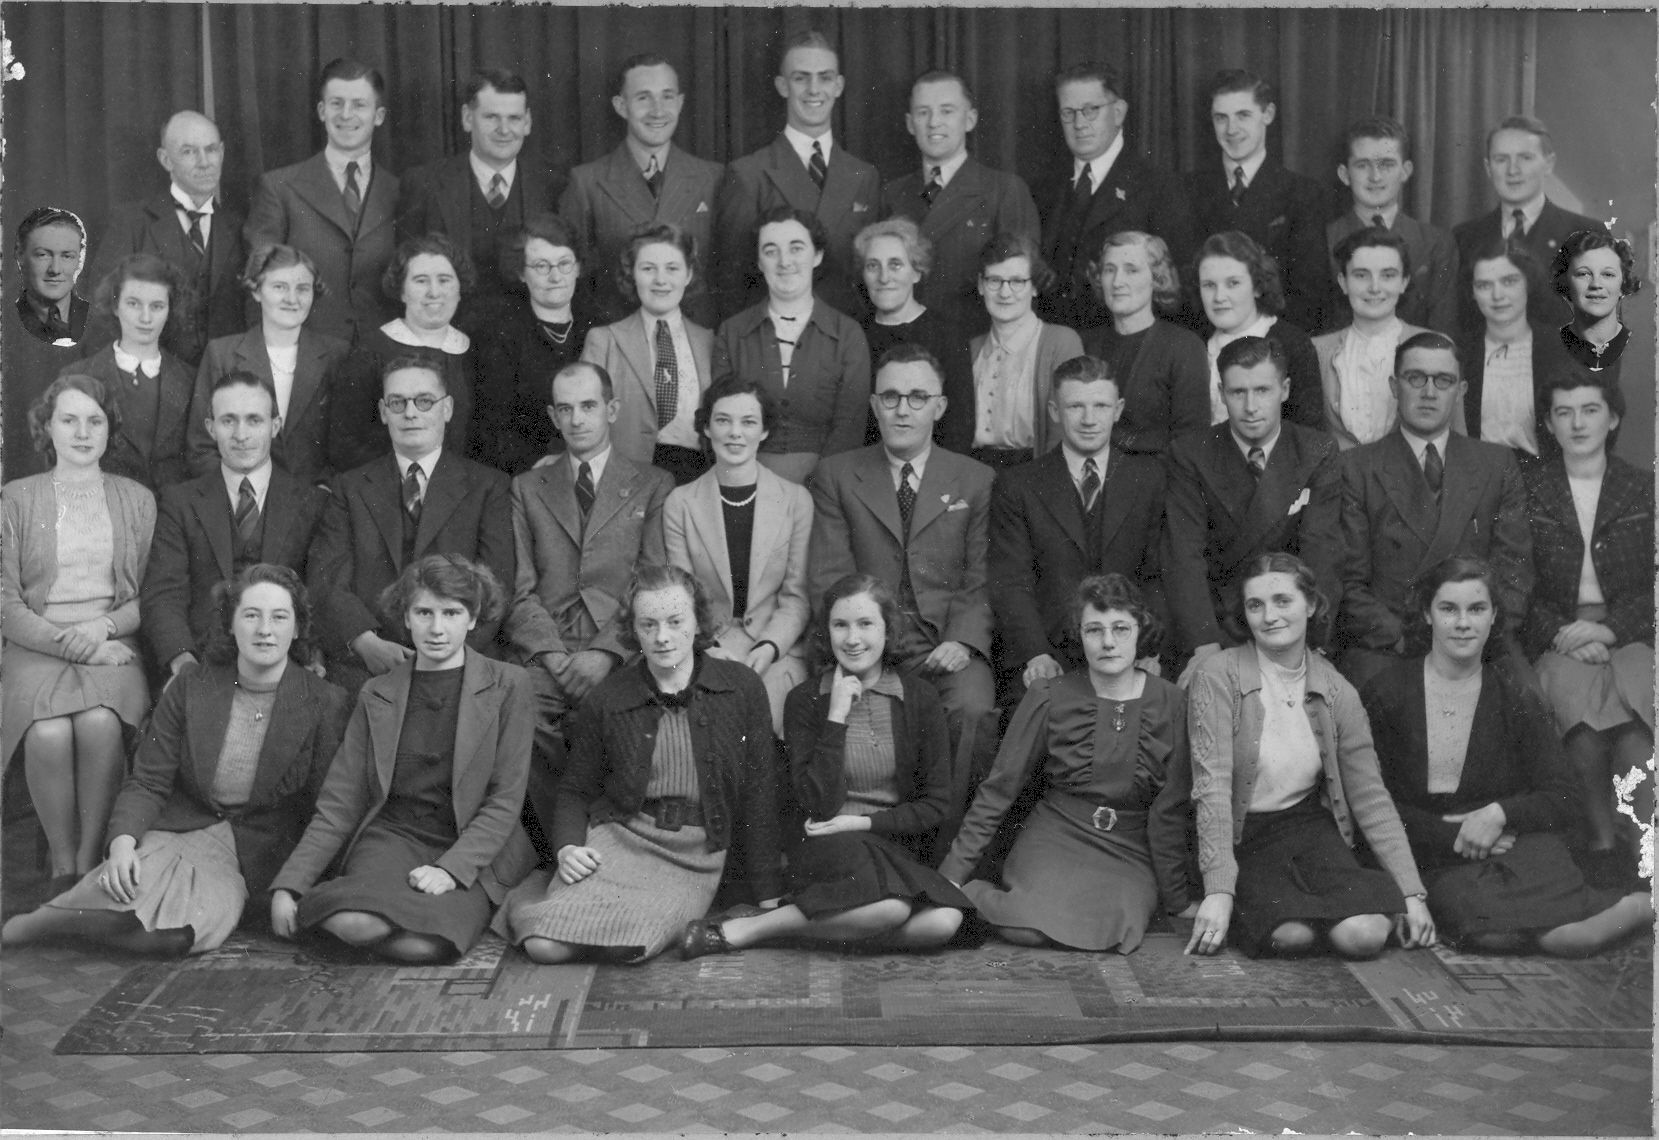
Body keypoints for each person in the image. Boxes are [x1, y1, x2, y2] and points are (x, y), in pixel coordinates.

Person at [2, 565, 349, 955]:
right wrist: (122, 843)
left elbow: (325, 810)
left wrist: (294, 885)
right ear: (231, 624)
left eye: (279, 617)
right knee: (122, 890)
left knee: (180, 933)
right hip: (180, 828)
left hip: (248, 853)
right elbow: (149, 780)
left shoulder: (324, 702)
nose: (265, 630)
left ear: (298, 628)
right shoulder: (191, 685)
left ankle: (65, 922)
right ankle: (50, 920)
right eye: (251, 615)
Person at [1362, 557, 1651, 955]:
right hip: (1434, 855)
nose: (1463, 623)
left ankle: (1641, 905)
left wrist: (1499, 813)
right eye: (1449, 609)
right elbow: (1374, 803)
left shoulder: (1514, 696)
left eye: (1477, 609)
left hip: (1515, 845)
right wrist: (1454, 836)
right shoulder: (1387, 693)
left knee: (1570, 938)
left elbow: (1563, 795)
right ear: (1427, 615)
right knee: (1490, 934)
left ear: (1494, 616)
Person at [499, 563, 780, 964]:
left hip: (694, 856)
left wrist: (768, 892)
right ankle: (538, 893)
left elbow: (760, 792)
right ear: (634, 630)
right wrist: (566, 848)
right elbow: (576, 789)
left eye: (675, 621)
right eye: (648, 625)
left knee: (628, 946)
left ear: (698, 621)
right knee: (543, 945)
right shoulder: (609, 698)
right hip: (620, 839)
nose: (662, 637)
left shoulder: (741, 688)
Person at [680, 574, 968, 958]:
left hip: (890, 842)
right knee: (893, 908)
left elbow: (935, 805)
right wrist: (835, 718)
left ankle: (789, 929)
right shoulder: (806, 700)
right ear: (827, 632)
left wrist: (864, 823)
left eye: (866, 624)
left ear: (888, 630)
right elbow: (818, 806)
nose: (852, 639)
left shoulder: (919, 698)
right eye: (840, 625)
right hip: (826, 843)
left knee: (943, 923)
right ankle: (745, 932)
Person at [271, 555, 535, 964]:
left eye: (452, 613)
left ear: (472, 617)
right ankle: (337, 910)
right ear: (406, 618)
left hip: (473, 844)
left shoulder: (509, 685)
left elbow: (504, 800)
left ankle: (350, 924)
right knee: (358, 923)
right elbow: (340, 804)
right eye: (424, 612)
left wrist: (450, 870)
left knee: (427, 945)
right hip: (393, 838)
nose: (437, 627)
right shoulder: (378, 692)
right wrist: (290, 885)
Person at [1185, 553, 1435, 959]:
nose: (1270, 616)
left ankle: (1320, 913)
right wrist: (1218, 890)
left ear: (1311, 605)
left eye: (1283, 601)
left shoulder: (1338, 691)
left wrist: (1411, 890)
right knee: (1290, 937)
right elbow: (1210, 787)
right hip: (1241, 837)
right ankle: (1286, 914)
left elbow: (1370, 797)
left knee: (1366, 935)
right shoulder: (1218, 675)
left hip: (1306, 830)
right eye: (1256, 605)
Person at [941, 574, 1191, 952]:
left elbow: (1170, 808)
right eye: (1094, 630)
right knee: (1026, 927)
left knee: (1114, 928)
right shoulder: (1048, 695)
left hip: (1130, 848)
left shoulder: (1172, 701)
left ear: (1142, 632)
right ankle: (976, 895)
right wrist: (951, 877)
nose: (1108, 642)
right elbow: (998, 790)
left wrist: (1177, 899)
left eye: (1121, 628)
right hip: (1056, 835)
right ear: (1079, 634)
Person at [503, 361, 672, 846]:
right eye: (565, 409)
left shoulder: (652, 483)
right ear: (553, 418)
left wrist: (607, 652)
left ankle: (612, 842)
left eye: (588, 406)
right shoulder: (526, 487)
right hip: (549, 643)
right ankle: (561, 845)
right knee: (520, 711)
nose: (577, 419)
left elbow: (653, 581)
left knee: (623, 720)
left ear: (612, 409)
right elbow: (519, 586)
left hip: (621, 643)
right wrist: (552, 655)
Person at [2, 375, 156, 891]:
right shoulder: (15, 499)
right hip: (35, 644)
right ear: (47, 427)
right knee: (46, 731)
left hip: (112, 641)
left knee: (98, 724)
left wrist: (102, 627)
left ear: (110, 429)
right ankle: (62, 869)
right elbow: (4, 603)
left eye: (95, 420)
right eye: (69, 420)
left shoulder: (136, 499)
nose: (83, 432)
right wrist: (71, 643)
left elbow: (147, 596)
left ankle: (92, 865)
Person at [809, 344, 996, 766]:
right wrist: (863, 643)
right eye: (890, 397)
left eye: (918, 398)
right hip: (864, 639)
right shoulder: (837, 475)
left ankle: (951, 832)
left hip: (944, 640)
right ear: (875, 405)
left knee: (972, 710)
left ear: (940, 406)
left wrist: (962, 640)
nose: (902, 410)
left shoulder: (976, 479)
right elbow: (830, 576)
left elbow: (980, 576)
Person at [306, 356, 514, 697]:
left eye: (424, 401)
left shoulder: (488, 486)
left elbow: (498, 585)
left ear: (446, 409)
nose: (411, 413)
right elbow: (327, 581)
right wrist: (365, 642)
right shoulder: (350, 488)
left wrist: (445, 654)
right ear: (383, 411)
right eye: (398, 402)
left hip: (461, 659)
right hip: (370, 662)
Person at [1335, 331, 1532, 690]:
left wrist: (1472, 635)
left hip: (1478, 642)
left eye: (1444, 381)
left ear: (1462, 390)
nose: (1429, 392)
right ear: (1395, 386)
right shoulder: (1357, 468)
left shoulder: (1495, 463)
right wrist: (1403, 638)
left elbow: (1514, 571)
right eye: (1416, 378)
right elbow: (1348, 582)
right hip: (1390, 644)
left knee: (1533, 711)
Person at [1523, 374, 1653, 885]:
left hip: (1634, 633)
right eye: (1564, 412)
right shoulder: (1530, 490)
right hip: (1559, 636)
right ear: (1550, 424)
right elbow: (1516, 582)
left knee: (1636, 736)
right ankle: (1600, 852)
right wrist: (1561, 633)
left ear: (1613, 418)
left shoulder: (1643, 488)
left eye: (1590, 410)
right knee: (1580, 733)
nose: (1578, 423)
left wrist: (1611, 631)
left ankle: (1645, 857)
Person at [1165, 336, 1343, 680]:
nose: (1250, 407)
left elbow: (1322, 551)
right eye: (1237, 392)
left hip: (1290, 624)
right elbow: (1183, 555)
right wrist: (1204, 645)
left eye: (1262, 391)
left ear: (1286, 389)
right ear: (1221, 393)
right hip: (1219, 625)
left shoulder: (1316, 450)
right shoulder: (1191, 453)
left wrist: (1312, 640)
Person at [143, 372, 330, 684]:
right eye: (228, 421)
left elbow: (321, 592)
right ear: (210, 428)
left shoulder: (310, 501)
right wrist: (182, 660)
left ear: (275, 426)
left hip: (287, 660)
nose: (241, 434)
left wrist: (313, 655)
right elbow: (163, 592)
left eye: (254, 420)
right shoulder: (181, 501)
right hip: (202, 660)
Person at [990, 356, 1164, 692]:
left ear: (1118, 409)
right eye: (1075, 407)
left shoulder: (1149, 478)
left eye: (1100, 406)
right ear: (1055, 411)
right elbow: (1011, 582)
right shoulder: (1018, 484)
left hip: (1132, 650)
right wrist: (1036, 654)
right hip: (1051, 656)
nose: (1088, 419)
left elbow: (1158, 574)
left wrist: (1149, 648)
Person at [663, 377, 813, 732]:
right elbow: (682, 597)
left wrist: (769, 647)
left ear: (763, 431)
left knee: (772, 724)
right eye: (723, 420)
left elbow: (797, 598)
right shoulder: (680, 504)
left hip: (776, 649)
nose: (735, 433)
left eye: (748, 422)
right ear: (706, 427)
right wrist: (710, 647)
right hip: (705, 648)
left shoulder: (795, 500)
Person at [715, 31, 880, 322]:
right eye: (801, 78)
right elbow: (733, 287)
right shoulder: (748, 174)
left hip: (846, 341)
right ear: (782, 86)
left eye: (825, 77)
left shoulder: (864, 175)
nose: (814, 89)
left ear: (839, 86)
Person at [559, 54, 724, 328]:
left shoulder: (713, 178)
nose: (658, 110)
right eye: (643, 98)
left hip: (696, 343)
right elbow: (576, 283)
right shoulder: (586, 182)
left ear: (681, 103)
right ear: (621, 106)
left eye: (667, 96)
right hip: (618, 343)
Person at [245, 58, 400, 345]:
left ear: (378, 116)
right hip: (305, 352)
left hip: (382, 352)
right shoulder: (279, 187)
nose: (346, 114)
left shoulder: (400, 191)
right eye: (336, 103)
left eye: (359, 105)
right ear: (321, 111)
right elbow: (261, 282)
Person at [712, 206, 871, 483]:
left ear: (817, 256)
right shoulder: (732, 332)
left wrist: (820, 489)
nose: (784, 261)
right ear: (760, 262)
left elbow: (850, 427)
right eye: (771, 251)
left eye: (796, 248)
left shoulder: (847, 333)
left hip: (827, 484)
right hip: (744, 478)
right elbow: (723, 422)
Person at [1036, 62, 1196, 332]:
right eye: (1068, 113)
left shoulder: (1159, 186)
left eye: (1091, 110)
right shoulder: (1044, 189)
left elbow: (1176, 291)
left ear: (1119, 112)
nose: (1079, 123)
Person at [395, 69, 565, 322]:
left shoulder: (554, 184)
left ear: (527, 122)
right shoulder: (423, 183)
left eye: (514, 118)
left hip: (531, 339)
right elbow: (404, 272)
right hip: (448, 335)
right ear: (467, 118)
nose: (504, 129)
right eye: (491, 117)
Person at [880, 70, 1041, 334]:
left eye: (946, 111)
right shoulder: (891, 194)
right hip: (904, 342)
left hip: (974, 343)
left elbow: (1019, 285)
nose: (934, 122)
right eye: (923, 113)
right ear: (910, 124)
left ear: (970, 119)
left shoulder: (1004, 190)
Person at [84, 111, 247, 366]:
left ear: (222, 152)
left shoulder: (239, 226)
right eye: (189, 152)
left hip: (222, 383)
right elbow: (101, 315)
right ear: (165, 159)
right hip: (154, 383)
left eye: (211, 149)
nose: (204, 162)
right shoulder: (131, 222)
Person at [186, 244, 351, 488]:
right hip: (241, 502)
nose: (292, 299)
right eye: (279, 287)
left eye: (302, 288)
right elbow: (201, 447)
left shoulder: (337, 355)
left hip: (317, 501)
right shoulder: (222, 354)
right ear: (256, 291)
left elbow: (348, 447)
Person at [1185, 70, 1330, 334]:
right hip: (1204, 342)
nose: (1231, 130)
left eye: (1243, 115)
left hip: (1272, 344)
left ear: (1268, 114)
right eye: (1221, 118)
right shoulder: (1186, 189)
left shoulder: (1303, 193)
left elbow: (1310, 294)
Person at [330, 234, 478, 471]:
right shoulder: (371, 351)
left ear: (460, 289)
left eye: (445, 280)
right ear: (401, 291)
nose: (434, 292)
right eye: (421, 281)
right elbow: (346, 442)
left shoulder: (474, 351)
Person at [578, 223, 713, 484]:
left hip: (695, 478)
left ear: (688, 274)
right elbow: (586, 418)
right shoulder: (605, 340)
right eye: (648, 268)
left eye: (672, 268)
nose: (661, 280)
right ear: (632, 275)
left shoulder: (708, 341)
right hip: (623, 477)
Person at [1452, 116, 1602, 334]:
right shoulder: (1463, 237)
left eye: (1525, 157)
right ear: (1488, 168)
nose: (1513, 170)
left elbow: (1603, 337)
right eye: (1501, 159)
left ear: (1548, 164)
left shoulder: (1588, 236)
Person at [471, 214, 595, 474]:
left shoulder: (598, 327)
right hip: (531, 471)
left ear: (578, 268)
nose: (555, 276)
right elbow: (494, 426)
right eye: (541, 266)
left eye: (564, 264)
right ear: (521, 273)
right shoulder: (501, 335)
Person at [64, 253, 197, 491]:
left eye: (157, 306)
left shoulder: (191, 380)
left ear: (170, 310)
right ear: (115, 306)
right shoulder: (78, 377)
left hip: (173, 520)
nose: (145, 318)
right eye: (133, 303)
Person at [1078, 230, 1209, 455]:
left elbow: (1191, 441)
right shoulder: (1084, 343)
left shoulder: (1184, 347)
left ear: (1156, 278)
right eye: (1109, 270)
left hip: (1156, 481)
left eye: (1132, 270)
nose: (1118, 281)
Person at [1325, 116, 1458, 335]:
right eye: (1362, 165)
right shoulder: (1323, 240)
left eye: (1386, 164)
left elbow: (1442, 331)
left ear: (1405, 171)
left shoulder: (1436, 243)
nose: (1375, 177)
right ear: (1345, 174)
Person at [966, 232, 1084, 469]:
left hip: (1034, 474)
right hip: (974, 474)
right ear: (981, 285)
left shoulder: (1060, 342)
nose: (1005, 292)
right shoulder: (972, 349)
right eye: (994, 281)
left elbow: (1064, 433)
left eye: (1017, 281)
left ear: (1034, 287)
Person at [854, 218, 974, 451]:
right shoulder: (853, 333)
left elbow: (960, 425)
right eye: (872, 266)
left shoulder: (948, 334)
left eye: (895, 265)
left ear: (917, 272)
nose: (884, 277)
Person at [1313, 228, 1433, 449]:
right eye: (1361, 275)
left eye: (1388, 275)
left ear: (1404, 282)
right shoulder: (1316, 351)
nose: (1375, 287)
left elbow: (1454, 439)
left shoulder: (1433, 345)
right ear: (1343, 282)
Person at [1194, 230, 1323, 430]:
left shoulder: (1292, 343)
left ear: (1257, 287)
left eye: (1233, 283)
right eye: (1209, 285)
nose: (1219, 297)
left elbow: (1308, 432)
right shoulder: (1195, 343)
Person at [1457, 237, 1571, 464]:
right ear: (1472, 292)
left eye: (1509, 281)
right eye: (1484, 285)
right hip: (1478, 474)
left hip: (1544, 476)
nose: (1497, 295)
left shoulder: (1560, 348)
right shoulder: (1461, 352)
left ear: (1528, 283)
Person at [1553, 228, 1640, 375]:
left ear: (1623, 283)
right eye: (1584, 274)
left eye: (1608, 274)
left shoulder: (1643, 347)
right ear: (1566, 282)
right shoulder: (1547, 344)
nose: (1596, 284)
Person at [13, 206, 91, 348]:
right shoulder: (7, 322)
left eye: (67, 256)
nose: (55, 269)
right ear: (20, 256)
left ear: (80, 259)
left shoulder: (100, 320)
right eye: (43, 255)